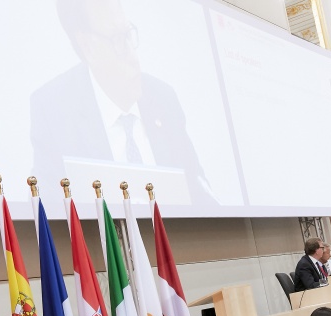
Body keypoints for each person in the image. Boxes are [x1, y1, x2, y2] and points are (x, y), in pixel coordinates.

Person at [31, 0, 215, 204]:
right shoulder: (53, 110)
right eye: (117, 40)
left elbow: (198, 189)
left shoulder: (163, 98)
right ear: (87, 46)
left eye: (128, 34)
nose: (133, 56)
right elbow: (48, 209)